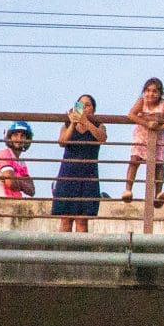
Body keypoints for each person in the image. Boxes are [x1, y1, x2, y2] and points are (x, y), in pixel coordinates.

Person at [120, 77, 164, 205]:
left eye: (154, 91)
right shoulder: (142, 101)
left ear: (160, 93)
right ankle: (128, 190)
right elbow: (131, 115)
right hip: (141, 137)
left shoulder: (163, 104)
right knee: (134, 160)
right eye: (147, 90)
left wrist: (160, 127)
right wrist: (147, 124)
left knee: (159, 165)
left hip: (157, 139)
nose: (150, 94)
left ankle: (158, 194)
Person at [52, 96, 105, 232]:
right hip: (68, 174)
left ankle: (81, 247)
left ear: (93, 109)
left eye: (87, 105)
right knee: (65, 220)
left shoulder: (99, 125)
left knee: (82, 221)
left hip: (88, 175)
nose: (84, 108)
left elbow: (101, 138)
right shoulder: (66, 125)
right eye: (80, 105)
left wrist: (86, 122)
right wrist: (73, 123)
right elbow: (62, 142)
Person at [0, 121, 36, 200]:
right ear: (9, 137)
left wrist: (15, 180)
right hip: (1, 200)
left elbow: (32, 191)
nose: (19, 139)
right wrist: (22, 183)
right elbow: (11, 183)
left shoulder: (22, 162)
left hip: (16, 202)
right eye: (15, 135)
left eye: (22, 136)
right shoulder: (4, 154)